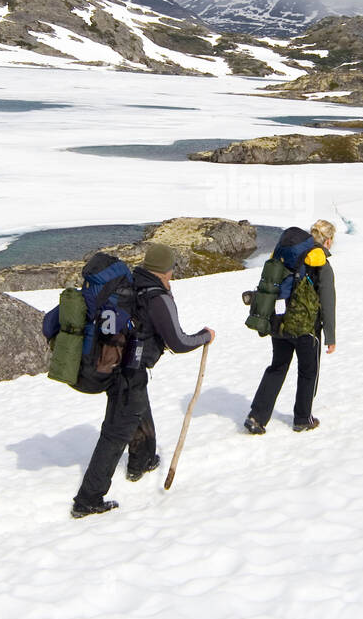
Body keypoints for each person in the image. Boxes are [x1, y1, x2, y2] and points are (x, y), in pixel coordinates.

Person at [72, 243, 213, 518]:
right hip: (128, 370)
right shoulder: (157, 297)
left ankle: (143, 460)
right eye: (171, 269)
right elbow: (179, 341)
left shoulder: (133, 282)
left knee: (138, 408)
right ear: (166, 270)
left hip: (117, 363)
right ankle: (88, 499)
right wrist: (205, 336)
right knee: (116, 432)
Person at [244, 220, 337, 434]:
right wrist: (330, 336)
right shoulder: (319, 261)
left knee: (278, 366)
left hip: (278, 319)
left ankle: (256, 417)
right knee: (308, 371)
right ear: (328, 241)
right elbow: (327, 300)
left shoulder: (287, 254)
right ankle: (303, 418)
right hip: (305, 325)